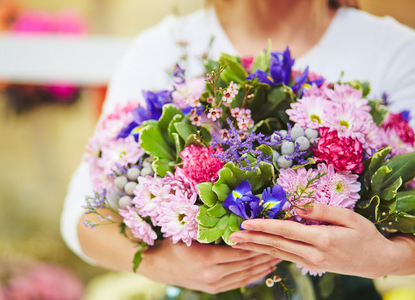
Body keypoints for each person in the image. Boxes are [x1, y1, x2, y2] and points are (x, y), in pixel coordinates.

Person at [61, 0, 415, 295]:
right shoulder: (166, 47)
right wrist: (158, 261)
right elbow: (81, 214)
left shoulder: (395, 51)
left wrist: (385, 257)